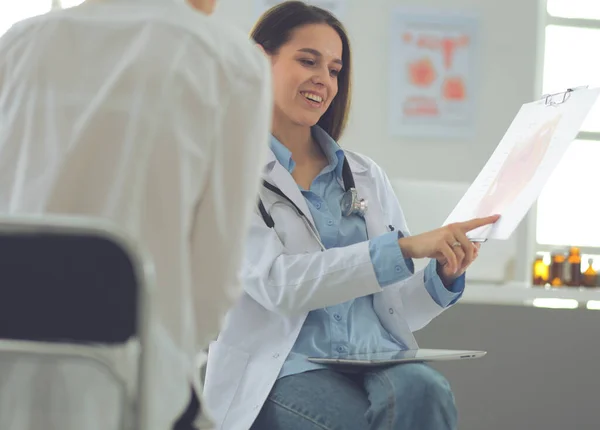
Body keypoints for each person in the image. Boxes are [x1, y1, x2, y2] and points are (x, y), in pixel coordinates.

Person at [203, 2, 499, 429]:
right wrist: (400, 248)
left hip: (376, 360)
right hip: (284, 370)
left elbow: (397, 307)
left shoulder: (364, 175)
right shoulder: (228, 171)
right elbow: (278, 285)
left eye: (335, 69)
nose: (323, 80)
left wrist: (442, 275)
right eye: (308, 61)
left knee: (427, 389)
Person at [0, 0, 271, 429]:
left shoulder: (17, 44)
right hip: (137, 385)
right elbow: (214, 281)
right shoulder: (229, 61)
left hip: (11, 375)